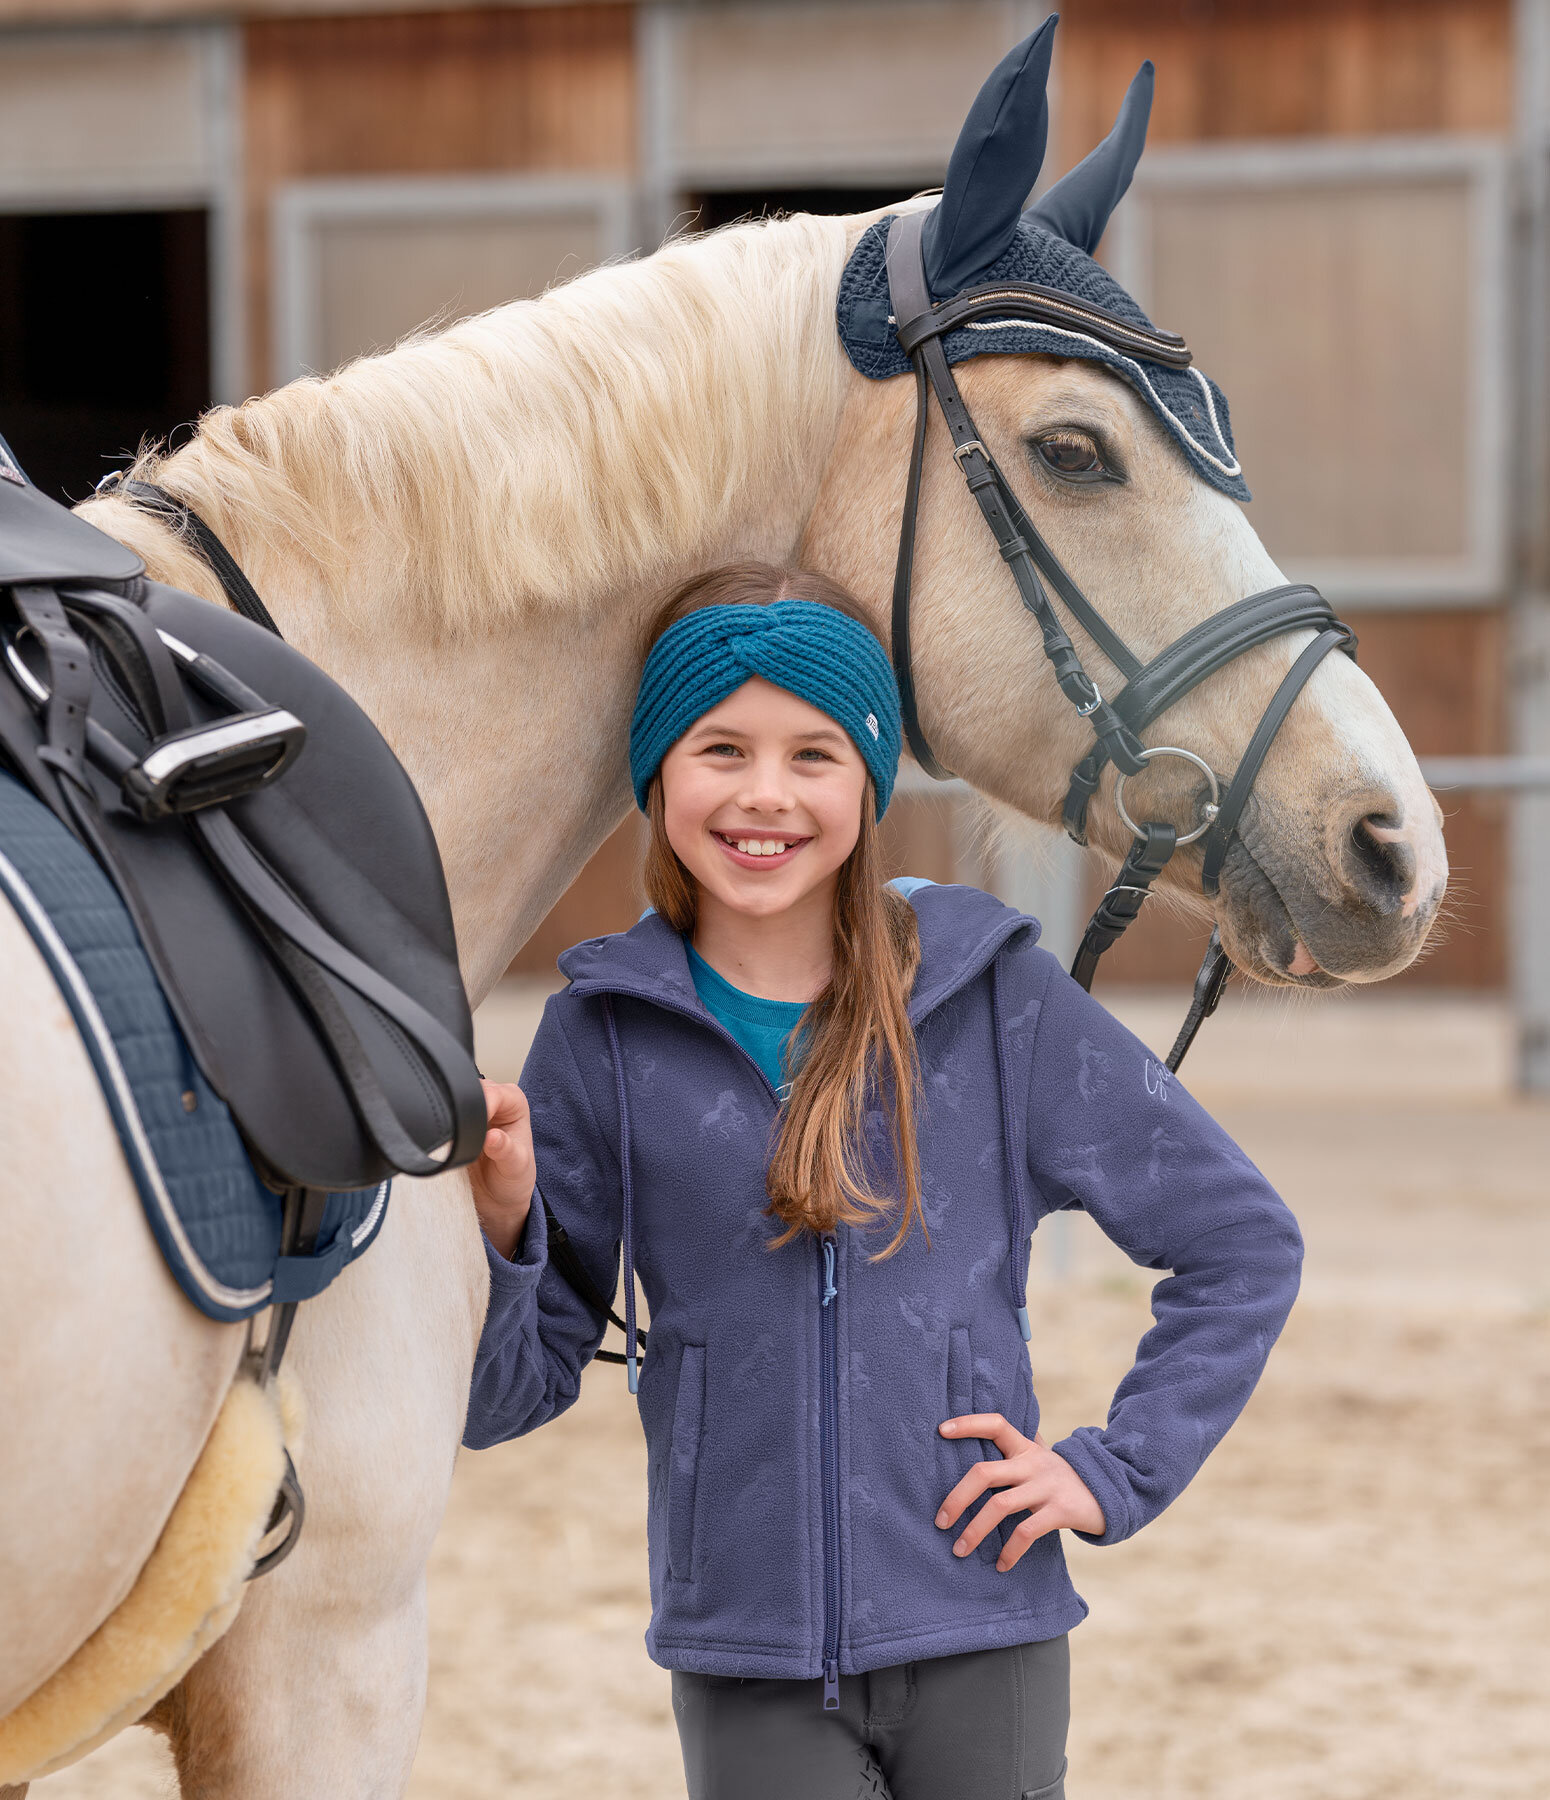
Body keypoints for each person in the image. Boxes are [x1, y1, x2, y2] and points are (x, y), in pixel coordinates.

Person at [463, 562, 1303, 1800]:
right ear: (656, 773)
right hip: (743, 1648)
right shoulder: (599, 1037)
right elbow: (504, 1395)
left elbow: (1241, 1241)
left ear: (867, 781)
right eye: (719, 749)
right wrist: (501, 1229)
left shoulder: (992, 996)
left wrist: (1111, 1468)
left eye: (813, 754)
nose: (764, 795)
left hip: (984, 1628)